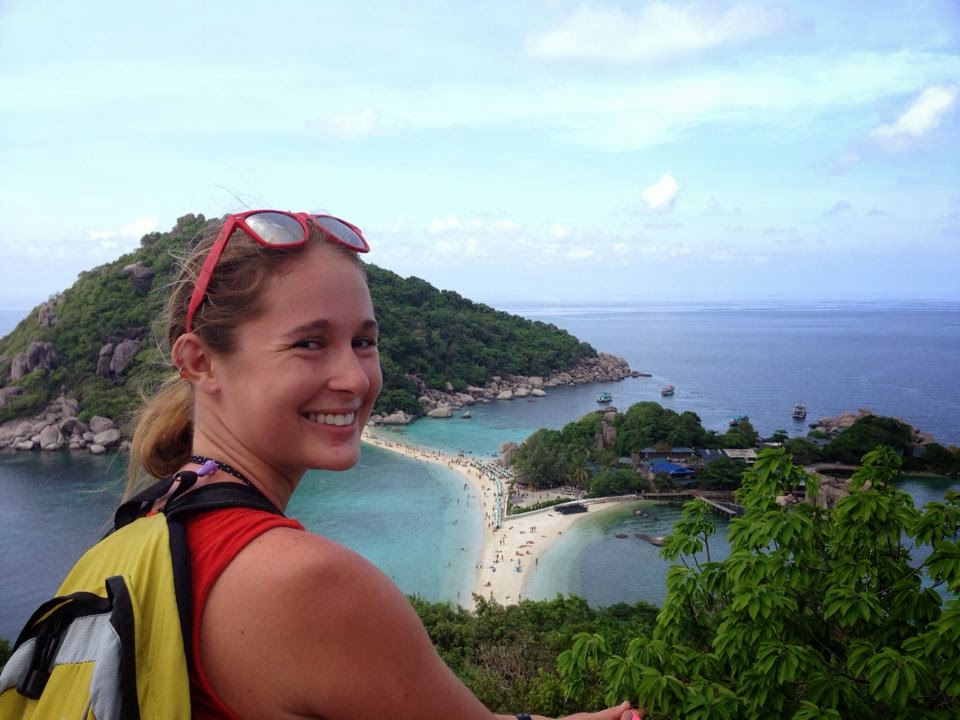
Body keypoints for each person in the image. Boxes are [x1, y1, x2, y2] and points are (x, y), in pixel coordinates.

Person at [124, 209, 642, 720]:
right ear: (200, 362)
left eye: (363, 342)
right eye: (310, 343)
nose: (354, 377)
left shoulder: (143, 527)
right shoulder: (311, 585)